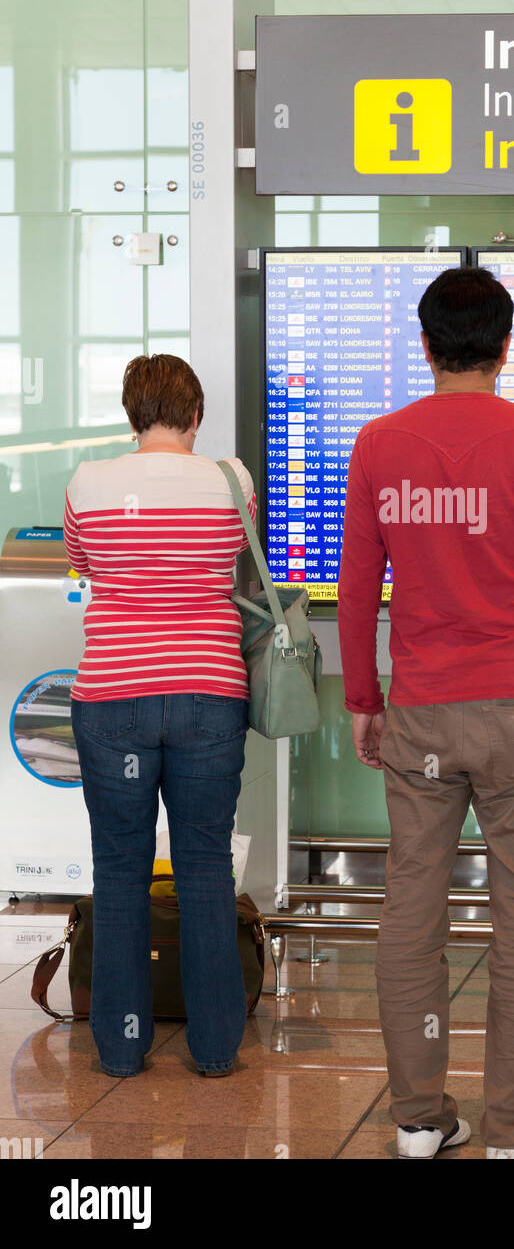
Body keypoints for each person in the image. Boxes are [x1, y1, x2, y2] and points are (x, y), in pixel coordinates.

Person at [337, 266, 514, 1160]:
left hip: (420, 714)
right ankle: (510, 1133)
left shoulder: (381, 444)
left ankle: (418, 1121)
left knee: (412, 910)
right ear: (504, 346)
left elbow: (355, 595)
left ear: (425, 345)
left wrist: (363, 703)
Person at [63, 354, 256, 1078]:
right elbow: (234, 558)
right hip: (209, 691)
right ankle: (213, 1050)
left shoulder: (88, 481)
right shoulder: (230, 480)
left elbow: (81, 567)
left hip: (113, 694)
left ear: (131, 413)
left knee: (120, 871)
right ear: (196, 414)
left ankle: (119, 1048)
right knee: (205, 866)